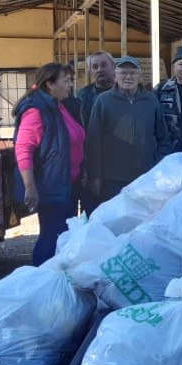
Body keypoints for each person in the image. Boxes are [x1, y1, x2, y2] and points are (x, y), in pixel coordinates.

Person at [12, 62, 85, 266]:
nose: (71, 85)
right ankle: (42, 283)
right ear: (50, 84)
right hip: (51, 187)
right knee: (51, 238)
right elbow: (23, 148)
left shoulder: (59, 106)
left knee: (62, 237)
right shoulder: (37, 110)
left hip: (67, 185)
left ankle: (55, 285)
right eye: (67, 81)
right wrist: (30, 186)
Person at [84, 56, 172, 213]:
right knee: (114, 222)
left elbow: (163, 137)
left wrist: (157, 166)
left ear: (140, 77)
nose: (128, 77)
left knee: (142, 221)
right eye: (123, 73)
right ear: (115, 76)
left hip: (146, 178)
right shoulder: (103, 101)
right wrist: (95, 176)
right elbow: (93, 142)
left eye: (132, 73)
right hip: (112, 180)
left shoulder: (151, 100)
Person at [76, 50, 115, 125]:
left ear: (113, 67)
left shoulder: (125, 93)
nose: (99, 70)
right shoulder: (83, 96)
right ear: (90, 71)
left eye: (104, 65)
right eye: (95, 67)